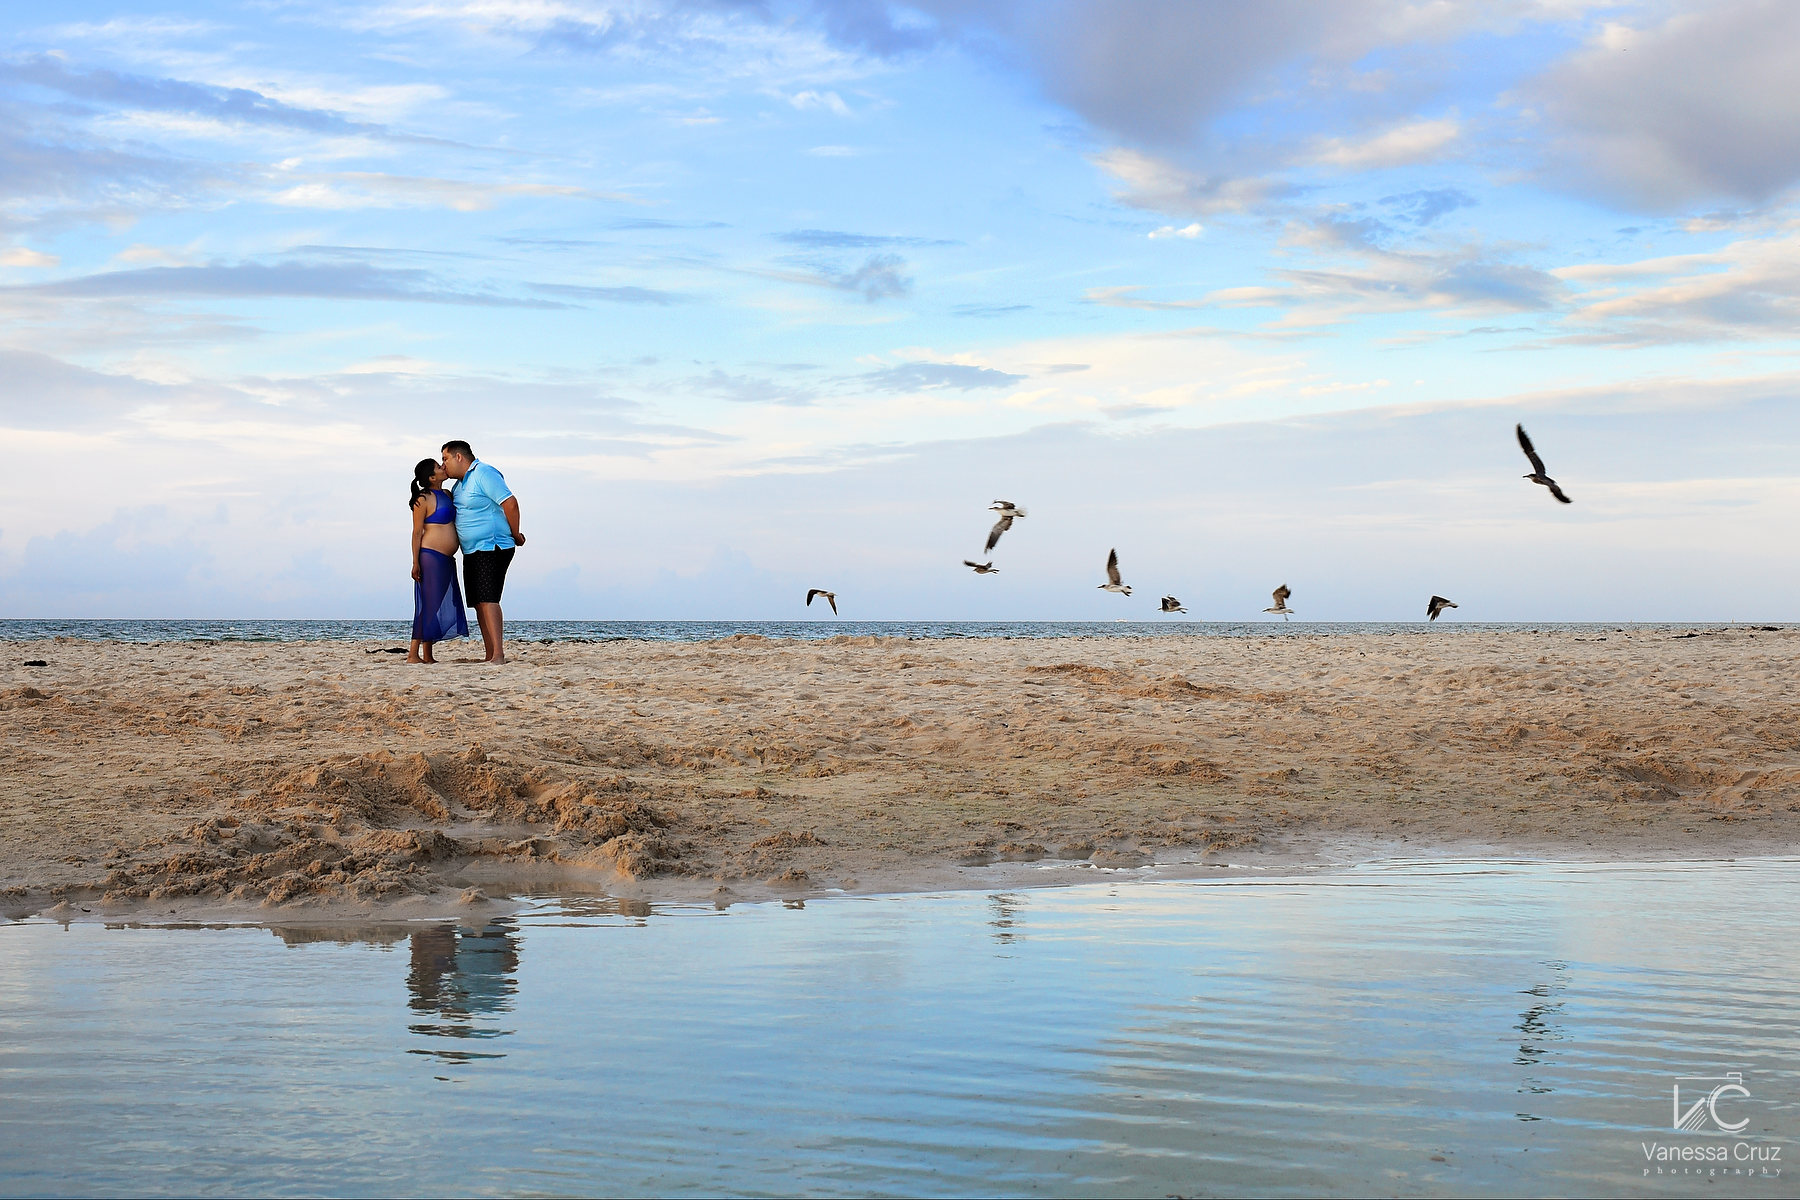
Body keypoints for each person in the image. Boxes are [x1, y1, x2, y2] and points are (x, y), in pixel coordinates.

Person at [440, 440, 524, 664]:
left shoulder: (483, 473)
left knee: (489, 599)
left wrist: (515, 533)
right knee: (478, 602)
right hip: (472, 550)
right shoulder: (459, 486)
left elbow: (510, 503)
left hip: (492, 545)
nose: (443, 464)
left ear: (459, 457)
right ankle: (489, 654)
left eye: (445, 459)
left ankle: (498, 654)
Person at [409, 458, 468, 663]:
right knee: (428, 605)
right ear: (432, 477)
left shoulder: (447, 494)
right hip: (430, 556)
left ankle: (428, 655)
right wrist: (415, 562)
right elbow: (417, 533)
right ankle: (413, 653)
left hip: (446, 559)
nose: (443, 467)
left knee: (435, 604)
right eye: (438, 466)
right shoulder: (422, 499)